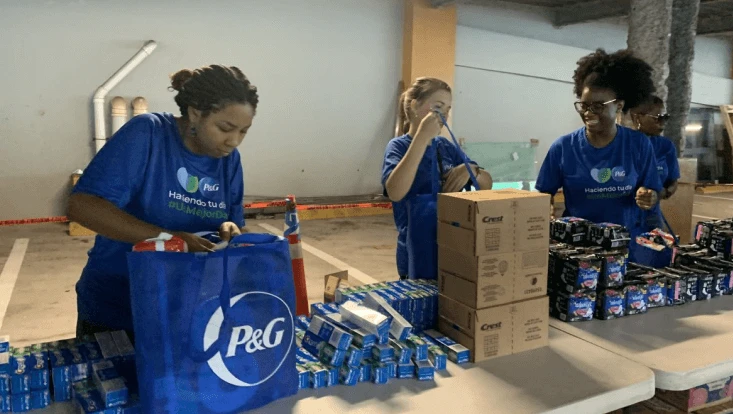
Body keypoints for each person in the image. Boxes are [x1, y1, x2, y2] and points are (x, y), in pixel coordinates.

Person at [68, 65, 258, 340]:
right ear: (195, 113)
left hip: (185, 309)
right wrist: (170, 239)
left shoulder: (228, 161)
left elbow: (231, 220)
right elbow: (84, 206)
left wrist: (229, 228)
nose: (234, 141)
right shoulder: (148, 134)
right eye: (225, 128)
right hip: (120, 307)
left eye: (244, 132)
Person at [535, 49, 663, 255]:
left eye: (598, 106)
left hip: (626, 248)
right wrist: (543, 212)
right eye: (584, 106)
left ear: (619, 106)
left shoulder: (638, 144)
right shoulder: (563, 147)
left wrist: (649, 197)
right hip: (578, 251)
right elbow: (543, 194)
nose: (588, 113)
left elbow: (654, 191)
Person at [382, 77, 493, 279]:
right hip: (415, 252)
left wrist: (472, 170)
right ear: (415, 106)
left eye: (448, 109)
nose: (444, 115)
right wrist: (422, 137)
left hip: (452, 245)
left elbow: (487, 185)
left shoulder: (445, 147)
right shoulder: (398, 147)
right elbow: (395, 192)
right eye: (438, 107)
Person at [630, 96, 680, 200]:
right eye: (658, 118)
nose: (663, 123)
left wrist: (663, 193)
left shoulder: (666, 146)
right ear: (638, 118)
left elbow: (673, 182)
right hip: (625, 211)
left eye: (665, 117)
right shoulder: (624, 145)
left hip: (652, 211)